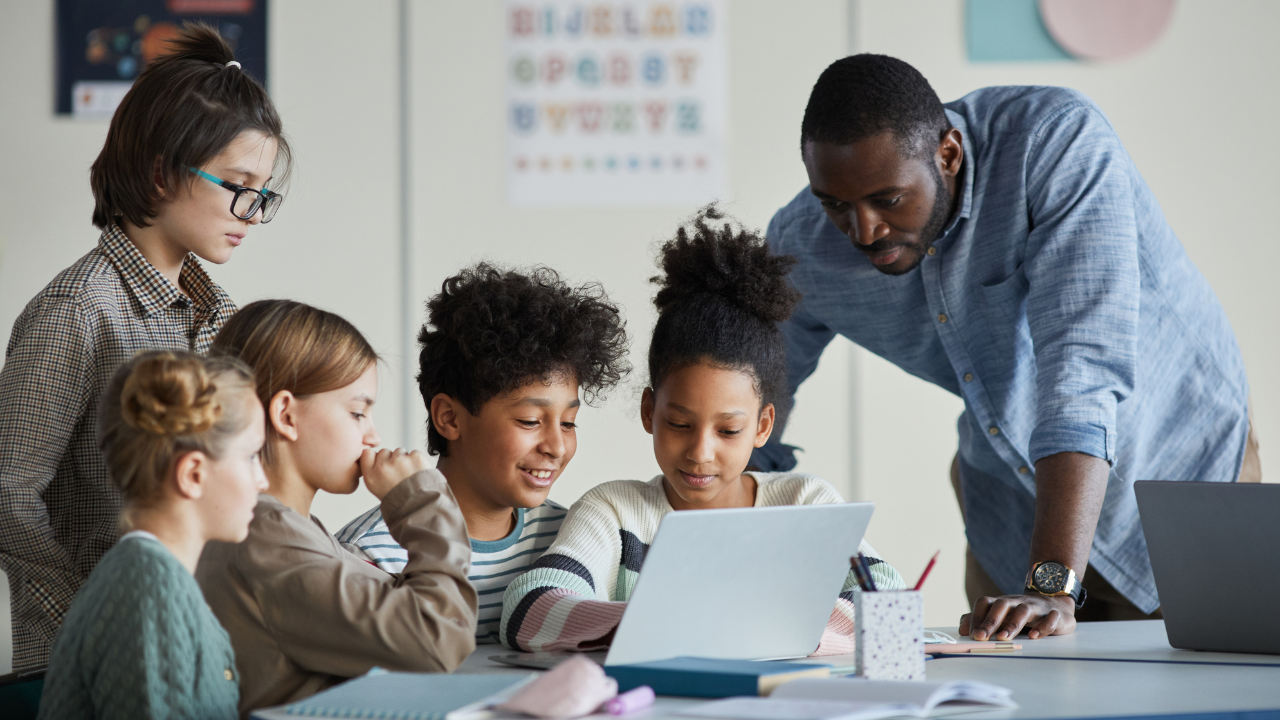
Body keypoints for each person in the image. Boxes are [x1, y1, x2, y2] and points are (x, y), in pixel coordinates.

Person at [753, 54, 1258, 641]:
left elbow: (1080, 377)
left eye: (887, 200)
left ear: (948, 155)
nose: (862, 231)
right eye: (836, 205)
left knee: (1212, 696)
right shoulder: (802, 245)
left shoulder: (1054, 142)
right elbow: (752, 390)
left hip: (1182, 476)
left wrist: (1049, 587)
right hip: (1008, 508)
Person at [0, 23, 290, 670]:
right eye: (238, 185)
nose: (251, 211)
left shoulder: (222, 318)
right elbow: (9, 496)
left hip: (196, 645)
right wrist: (99, 619)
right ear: (161, 173)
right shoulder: (78, 312)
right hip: (88, 661)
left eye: (263, 194)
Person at [500, 207, 903, 654]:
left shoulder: (806, 506)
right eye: (678, 423)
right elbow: (530, 608)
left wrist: (739, 627)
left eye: (729, 430)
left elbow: (889, 600)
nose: (700, 452)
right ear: (649, 411)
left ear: (763, 426)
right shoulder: (616, 513)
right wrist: (677, 620)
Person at [195, 300, 476, 715]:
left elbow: (396, 612)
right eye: (358, 413)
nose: (373, 436)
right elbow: (436, 638)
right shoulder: (266, 539)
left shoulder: (285, 527)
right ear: (286, 415)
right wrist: (421, 500)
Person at [338, 264, 630, 644]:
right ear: (449, 418)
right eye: (529, 421)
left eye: (569, 422)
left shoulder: (571, 541)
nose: (556, 446)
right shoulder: (373, 555)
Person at [38, 350, 266, 720]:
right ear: (193, 474)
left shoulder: (152, 576)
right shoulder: (151, 587)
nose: (263, 480)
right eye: (252, 456)